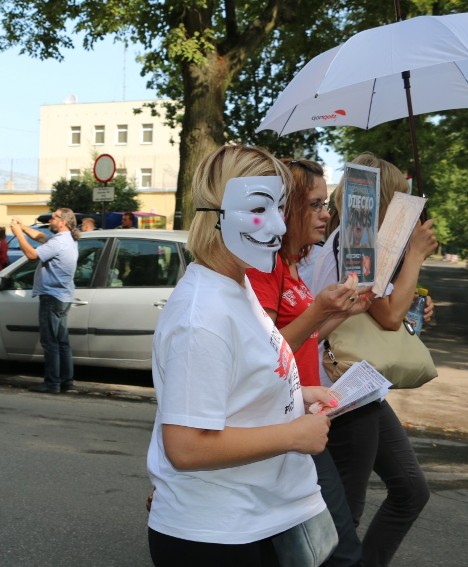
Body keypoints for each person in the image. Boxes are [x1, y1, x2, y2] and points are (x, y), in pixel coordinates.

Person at [147, 145, 337, 566]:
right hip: (220, 537)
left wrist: (296, 395)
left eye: (281, 208)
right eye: (259, 208)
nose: (276, 224)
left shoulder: (239, 286)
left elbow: (238, 383)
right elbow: (186, 447)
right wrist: (294, 435)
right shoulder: (203, 314)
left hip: (262, 518)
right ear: (216, 214)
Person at [310, 153, 436, 566]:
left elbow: (392, 310)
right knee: (346, 512)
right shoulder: (354, 240)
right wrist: (415, 254)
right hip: (342, 386)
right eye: (398, 195)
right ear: (384, 198)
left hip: (362, 384)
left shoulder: (357, 242)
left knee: (410, 490)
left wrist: (416, 303)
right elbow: (387, 314)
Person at [246, 158, 371, 566]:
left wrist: (339, 314)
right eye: (316, 204)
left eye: (326, 204)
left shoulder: (289, 265)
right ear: (288, 208)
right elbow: (263, 352)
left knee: (313, 548)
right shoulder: (263, 269)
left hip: (297, 417)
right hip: (279, 424)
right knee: (338, 550)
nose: (326, 214)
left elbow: (300, 337)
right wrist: (319, 311)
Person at [10, 209, 79, 394]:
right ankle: (66, 381)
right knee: (62, 341)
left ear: (63, 222)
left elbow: (32, 255)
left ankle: (52, 383)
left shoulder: (58, 243)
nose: (51, 219)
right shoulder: (67, 239)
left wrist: (17, 234)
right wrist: (23, 227)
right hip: (63, 296)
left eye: (54, 217)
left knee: (50, 342)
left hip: (52, 297)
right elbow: (41, 237)